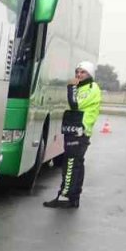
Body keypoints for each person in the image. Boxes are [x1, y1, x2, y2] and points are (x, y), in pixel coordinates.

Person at [45, 61, 102, 209]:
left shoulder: (92, 88)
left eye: (83, 72)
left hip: (79, 132)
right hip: (74, 130)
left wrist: (71, 87)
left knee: (70, 164)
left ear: (89, 74)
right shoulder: (82, 87)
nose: (78, 74)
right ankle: (74, 197)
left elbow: (75, 104)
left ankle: (65, 197)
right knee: (76, 164)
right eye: (77, 71)